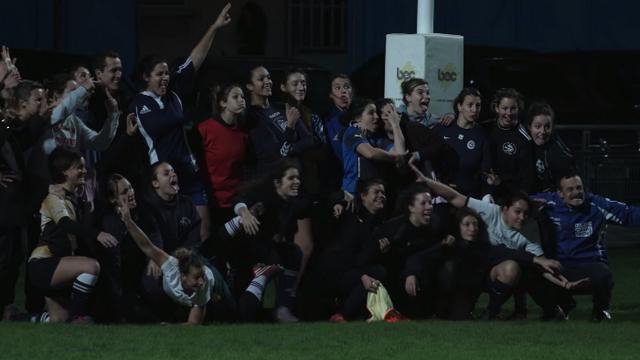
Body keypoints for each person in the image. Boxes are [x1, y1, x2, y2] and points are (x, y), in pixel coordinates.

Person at [409, 162, 576, 320]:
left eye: (525, 213)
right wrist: (427, 181)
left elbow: (541, 264)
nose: (522, 217)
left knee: (515, 267)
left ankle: (494, 311)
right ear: (504, 210)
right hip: (474, 270)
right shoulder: (490, 211)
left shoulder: (530, 228)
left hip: (499, 274)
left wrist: (564, 282)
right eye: (517, 212)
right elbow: (454, 197)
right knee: (454, 311)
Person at [110, 173, 280, 324]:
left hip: (214, 281)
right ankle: (239, 221)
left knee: (237, 318)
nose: (200, 281)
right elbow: (146, 245)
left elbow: (192, 324)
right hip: (191, 265)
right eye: (197, 278)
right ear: (182, 276)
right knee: (206, 250)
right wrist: (128, 221)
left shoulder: (203, 285)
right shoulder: (171, 269)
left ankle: (261, 276)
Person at [130, 3, 232, 243]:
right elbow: (159, 127)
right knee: (170, 236)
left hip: (189, 174)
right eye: (159, 74)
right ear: (146, 77)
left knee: (203, 231)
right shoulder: (139, 103)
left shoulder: (173, 93)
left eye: (167, 73)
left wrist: (214, 28)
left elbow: (194, 59)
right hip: (164, 177)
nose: (165, 78)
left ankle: (201, 278)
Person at [26, 147, 118, 323]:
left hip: (60, 265)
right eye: (79, 167)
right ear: (65, 172)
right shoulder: (54, 198)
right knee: (91, 266)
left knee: (58, 319)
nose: (84, 171)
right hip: (44, 265)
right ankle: (78, 317)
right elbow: (65, 224)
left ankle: (22, 319)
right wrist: (97, 234)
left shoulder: (73, 198)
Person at [533, 173, 640, 321]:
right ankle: (558, 307)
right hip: (559, 266)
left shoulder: (596, 205)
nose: (576, 192)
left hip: (589, 264)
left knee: (603, 274)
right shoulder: (547, 203)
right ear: (560, 193)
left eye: (579, 188)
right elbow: (517, 204)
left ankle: (601, 311)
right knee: (531, 271)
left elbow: (628, 214)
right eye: (570, 189)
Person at [233, 160, 312, 322]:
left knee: (294, 253)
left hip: (267, 247)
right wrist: (245, 213)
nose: (296, 181)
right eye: (291, 178)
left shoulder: (291, 203)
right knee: (272, 261)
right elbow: (240, 203)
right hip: (246, 250)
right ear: (277, 183)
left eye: (297, 178)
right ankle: (256, 314)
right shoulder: (265, 196)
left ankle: (282, 307)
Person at [306, 178, 389, 322]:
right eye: (376, 192)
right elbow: (343, 254)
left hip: (351, 270)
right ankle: (344, 313)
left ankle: (345, 314)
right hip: (334, 272)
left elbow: (363, 257)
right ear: (363, 196)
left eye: (383, 192)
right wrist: (339, 198)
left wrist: (380, 250)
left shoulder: (378, 223)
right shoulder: (350, 212)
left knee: (379, 271)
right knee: (371, 276)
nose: (381, 195)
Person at [245, 65, 314, 177]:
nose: (268, 81)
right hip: (273, 179)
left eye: (268, 77)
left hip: (295, 175)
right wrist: (290, 126)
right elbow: (275, 154)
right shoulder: (253, 117)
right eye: (261, 79)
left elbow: (308, 140)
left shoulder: (281, 107)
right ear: (249, 86)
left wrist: (289, 148)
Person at [197, 83, 247, 225]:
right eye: (235, 97)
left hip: (235, 201)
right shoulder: (204, 129)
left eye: (242, 97)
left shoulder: (242, 134)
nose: (241, 100)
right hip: (211, 201)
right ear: (223, 103)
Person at [432, 88, 492, 197]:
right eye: (470, 105)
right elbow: (430, 161)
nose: (474, 109)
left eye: (478, 105)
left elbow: (485, 171)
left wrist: (489, 181)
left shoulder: (483, 135)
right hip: (440, 194)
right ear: (459, 106)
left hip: (469, 196)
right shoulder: (442, 128)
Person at [340, 98, 405, 196]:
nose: (376, 116)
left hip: (372, 195)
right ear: (358, 118)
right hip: (353, 194)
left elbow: (400, 152)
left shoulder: (377, 140)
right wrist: (396, 158)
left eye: (376, 113)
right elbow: (370, 153)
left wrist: (395, 124)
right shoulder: (352, 131)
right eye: (371, 113)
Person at [484, 88, 536, 195]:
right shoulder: (485, 128)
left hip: (510, 196)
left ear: (519, 109)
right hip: (484, 192)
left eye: (513, 108)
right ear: (497, 108)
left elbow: (527, 179)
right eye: (505, 108)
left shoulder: (525, 138)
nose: (509, 113)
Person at [526, 101, 575, 192]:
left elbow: (568, 188)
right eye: (537, 126)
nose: (543, 131)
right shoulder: (524, 143)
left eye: (547, 127)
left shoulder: (559, 154)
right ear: (529, 127)